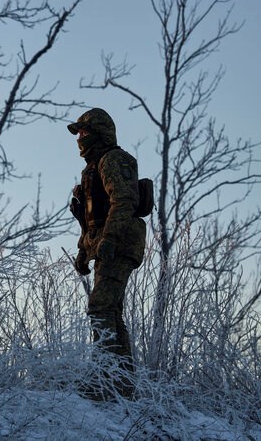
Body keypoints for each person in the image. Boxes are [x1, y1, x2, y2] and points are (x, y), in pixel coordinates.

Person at [67, 107, 146, 399]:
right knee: (110, 310)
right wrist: (82, 251)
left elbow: (124, 201)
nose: (80, 138)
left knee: (101, 306)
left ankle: (106, 381)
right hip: (106, 245)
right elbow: (92, 219)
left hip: (120, 244)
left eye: (85, 133)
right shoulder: (94, 166)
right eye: (79, 134)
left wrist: (110, 241)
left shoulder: (114, 159)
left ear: (100, 134)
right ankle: (121, 385)